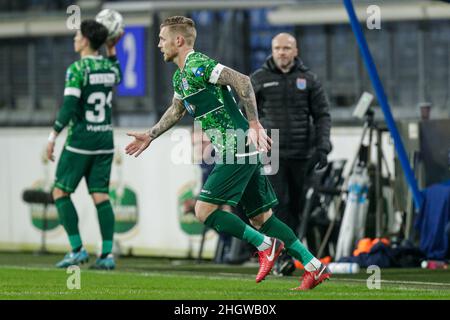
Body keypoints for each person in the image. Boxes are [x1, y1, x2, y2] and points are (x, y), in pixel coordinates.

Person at [125, 16, 330, 290]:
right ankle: (314, 267)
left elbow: (242, 81)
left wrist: (254, 123)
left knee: (203, 210)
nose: (158, 44)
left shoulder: (198, 64)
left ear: (178, 40)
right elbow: (177, 110)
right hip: (233, 148)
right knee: (261, 218)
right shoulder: (181, 76)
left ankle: (265, 246)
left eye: (162, 39)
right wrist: (150, 135)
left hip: (237, 145)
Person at [250, 33, 332, 275]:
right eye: (277, 48)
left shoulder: (309, 79)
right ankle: (282, 258)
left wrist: (322, 146)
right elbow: (246, 114)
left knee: (298, 207)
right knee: (279, 205)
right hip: (271, 154)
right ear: (272, 50)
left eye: (286, 48)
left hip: (302, 155)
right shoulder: (258, 79)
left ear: (295, 51)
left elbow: (322, 115)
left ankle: (293, 255)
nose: (282, 52)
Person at [46, 19, 122, 270]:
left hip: (80, 141)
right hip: (104, 141)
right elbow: (118, 75)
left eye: (78, 35)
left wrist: (53, 135)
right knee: (100, 195)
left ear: (86, 40)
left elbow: (69, 106)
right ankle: (107, 255)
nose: (74, 39)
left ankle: (77, 250)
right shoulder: (109, 68)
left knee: (60, 192)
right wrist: (111, 49)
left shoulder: (77, 69)